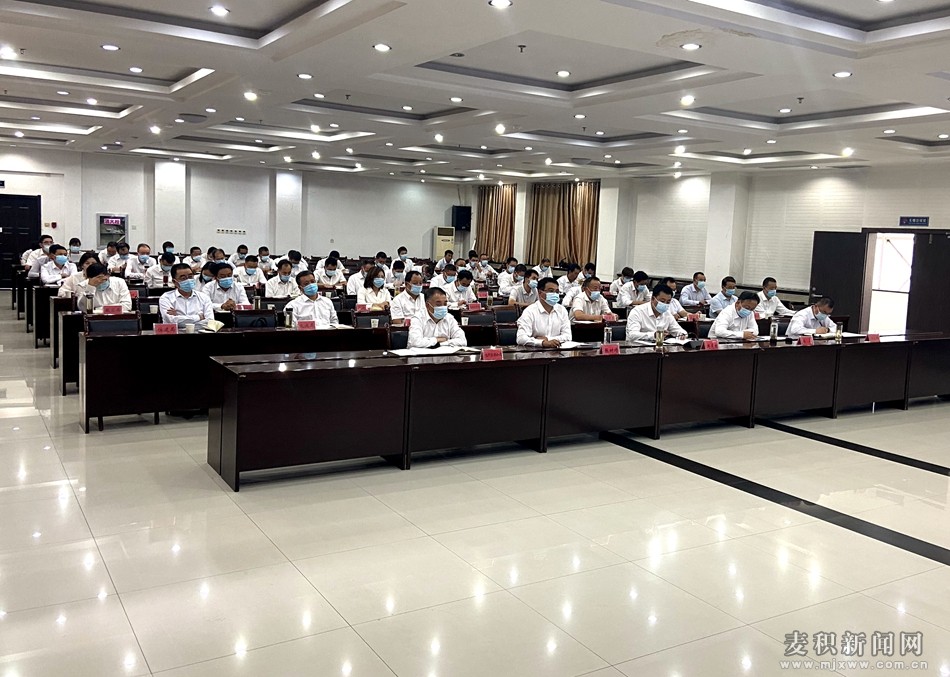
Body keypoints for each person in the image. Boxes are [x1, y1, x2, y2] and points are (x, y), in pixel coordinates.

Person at [516, 277, 572, 348]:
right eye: (551, 291)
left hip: (558, 351)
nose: (555, 294)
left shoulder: (562, 310)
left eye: (557, 292)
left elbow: (568, 336)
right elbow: (521, 338)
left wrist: (548, 339)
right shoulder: (529, 311)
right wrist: (542, 343)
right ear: (540, 292)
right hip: (535, 351)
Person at [159, 263, 213, 328]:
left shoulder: (204, 297)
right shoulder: (166, 298)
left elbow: (209, 321)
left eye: (190, 277)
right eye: (183, 278)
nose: (188, 280)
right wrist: (198, 317)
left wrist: (178, 317)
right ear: (174, 282)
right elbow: (170, 321)